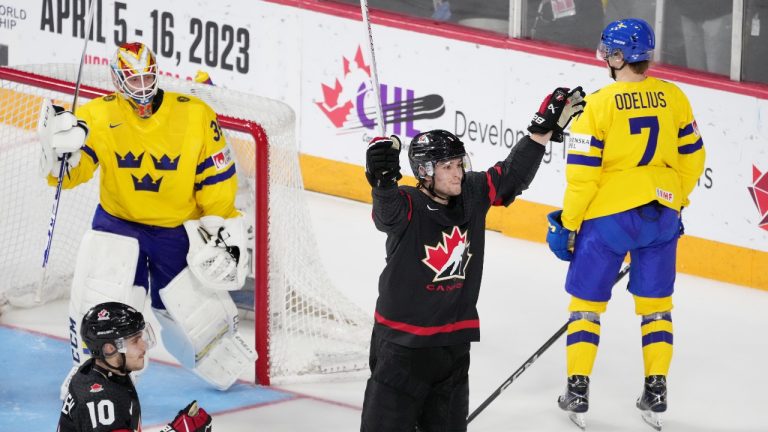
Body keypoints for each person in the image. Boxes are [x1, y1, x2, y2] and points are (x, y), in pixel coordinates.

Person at [359, 85, 586, 431]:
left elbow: (510, 177)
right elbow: (385, 216)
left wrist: (540, 133)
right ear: (423, 172)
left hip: (452, 346)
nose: (457, 173)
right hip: (402, 348)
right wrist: (383, 182)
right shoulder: (407, 204)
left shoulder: (472, 194)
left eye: (458, 163)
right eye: (446, 166)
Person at [39, 41, 255, 396]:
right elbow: (74, 173)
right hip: (119, 224)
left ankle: (220, 361)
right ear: (116, 80)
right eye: (133, 80)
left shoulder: (194, 113)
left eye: (146, 78)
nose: (141, 88)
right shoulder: (97, 115)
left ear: (156, 74)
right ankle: (93, 378)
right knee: (105, 303)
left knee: (196, 311)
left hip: (176, 228)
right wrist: (60, 154)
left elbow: (216, 175)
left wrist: (216, 222)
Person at [545, 18, 706, 430]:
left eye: (609, 53)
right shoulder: (674, 97)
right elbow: (693, 158)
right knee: (656, 309)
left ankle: (577, 391)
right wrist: (677, 204)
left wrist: (567, 223)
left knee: (586, 307)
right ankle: (657, 389)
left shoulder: (597, 105)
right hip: (661, 214)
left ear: (617, 57)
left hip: (609, 219)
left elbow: (583, 177)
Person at [58, 301, 213, 431]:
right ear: (110, 349)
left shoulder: (98, 371)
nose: (144, 346)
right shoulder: (101, 400)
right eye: (134, 340)